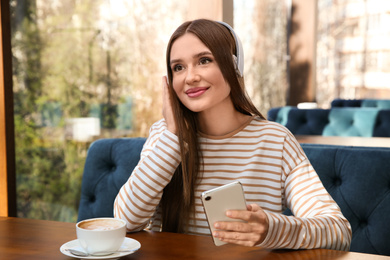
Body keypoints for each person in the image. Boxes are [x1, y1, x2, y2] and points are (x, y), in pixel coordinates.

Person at [114, 19, 351, 250]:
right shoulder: (164, 136)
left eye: (204, 60)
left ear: (235, 66)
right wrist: (174, 137)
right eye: (179, 67)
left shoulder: (275, 141)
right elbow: (125, 222)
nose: (190, 77)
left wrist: (271, 229)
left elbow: (338, 231)